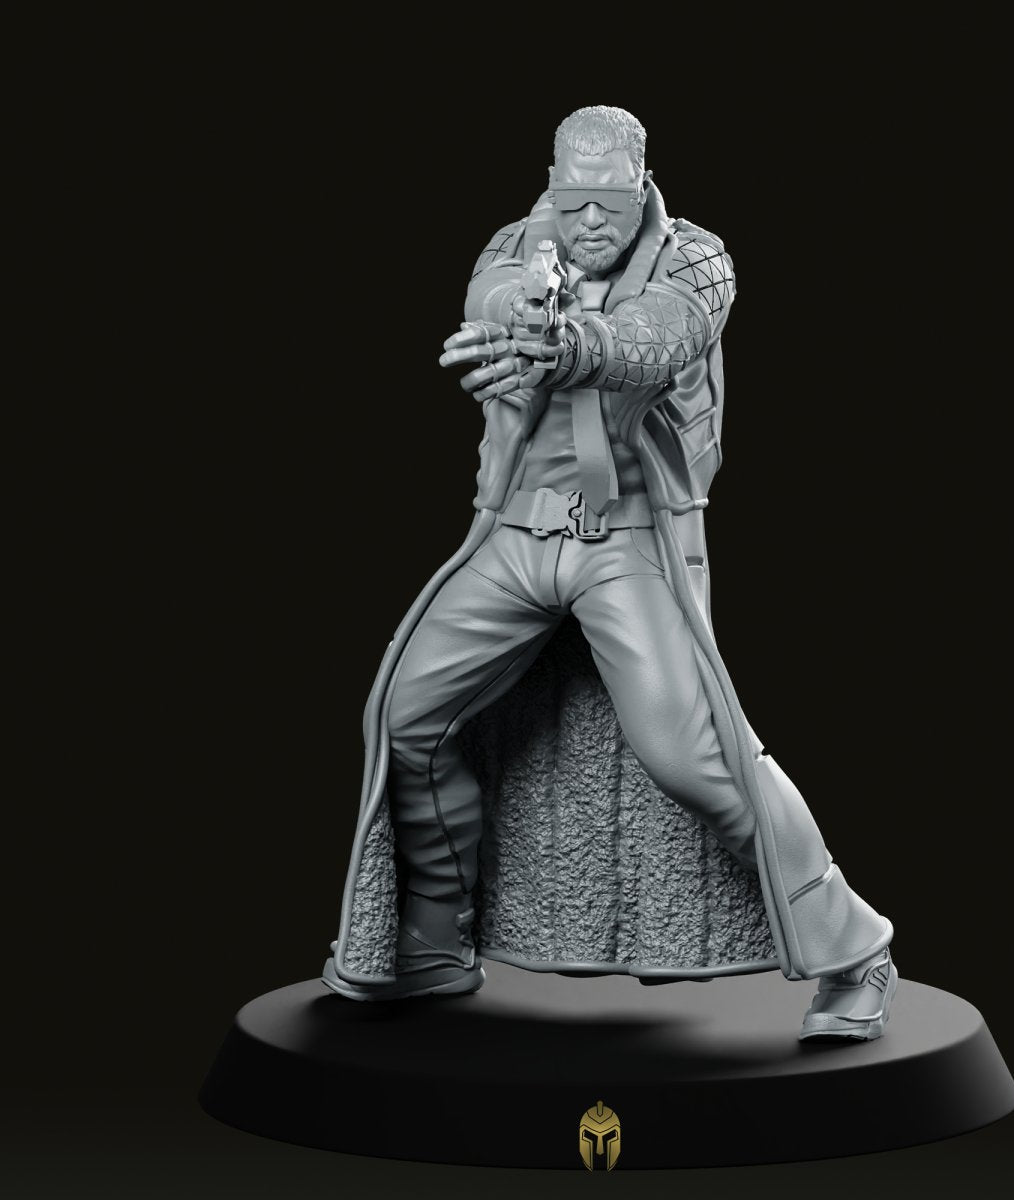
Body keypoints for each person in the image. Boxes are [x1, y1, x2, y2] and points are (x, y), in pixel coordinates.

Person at [323, 106, 897, 1041]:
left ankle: (853, 949)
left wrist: (574, 347)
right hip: (517, 537)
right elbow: (490, 293)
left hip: (627, 543)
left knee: (694, 754)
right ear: (553, 184)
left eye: (611, 202)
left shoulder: (695, 257)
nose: (590, 220)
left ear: (642, 184)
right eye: (573, 198)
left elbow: (660, 335)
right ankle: (432, 942)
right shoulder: (519, 244)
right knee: (406, 716)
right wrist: (520, 315)